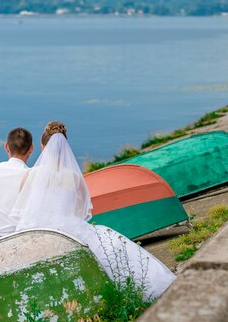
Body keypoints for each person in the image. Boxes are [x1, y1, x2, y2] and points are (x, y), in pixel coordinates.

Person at [11, 122, 175, 300]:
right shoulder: (74, 177)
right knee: (112, 248)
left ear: (43, 148)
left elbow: (23, 207)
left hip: (38, 228)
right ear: (65, 147)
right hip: (70, 227)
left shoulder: (30, 176)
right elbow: (81, 210)